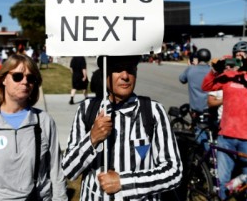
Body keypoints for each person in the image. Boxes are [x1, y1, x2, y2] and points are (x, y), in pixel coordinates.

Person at [62, 55, 182, 200]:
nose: (125, 76)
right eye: (117, 69)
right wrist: (92, 138)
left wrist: (124, 183)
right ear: (105, 73)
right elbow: (69, 170)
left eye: (130, 69)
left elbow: (174, 171)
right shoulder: (87, 110)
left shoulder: (153, 111)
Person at [0, 54, 67, 200]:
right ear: (3, 79)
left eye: (31, 78)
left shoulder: (44, 122)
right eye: (18, 76)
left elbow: (56, 172)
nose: (25, 82)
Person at [203, 41, 247, 201]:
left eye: (243, 56)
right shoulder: (228, 76)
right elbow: (206, 87)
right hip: (225, 137)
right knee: (221, 182)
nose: (240, 59)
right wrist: (215, 70)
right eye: (236, 57)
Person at [179, 48, 212, 145]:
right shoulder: (212, 71)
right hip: (211, 109)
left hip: (197, 110)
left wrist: (190, 67)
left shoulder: (191, 69)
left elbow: (182, 79)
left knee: (200, 136)